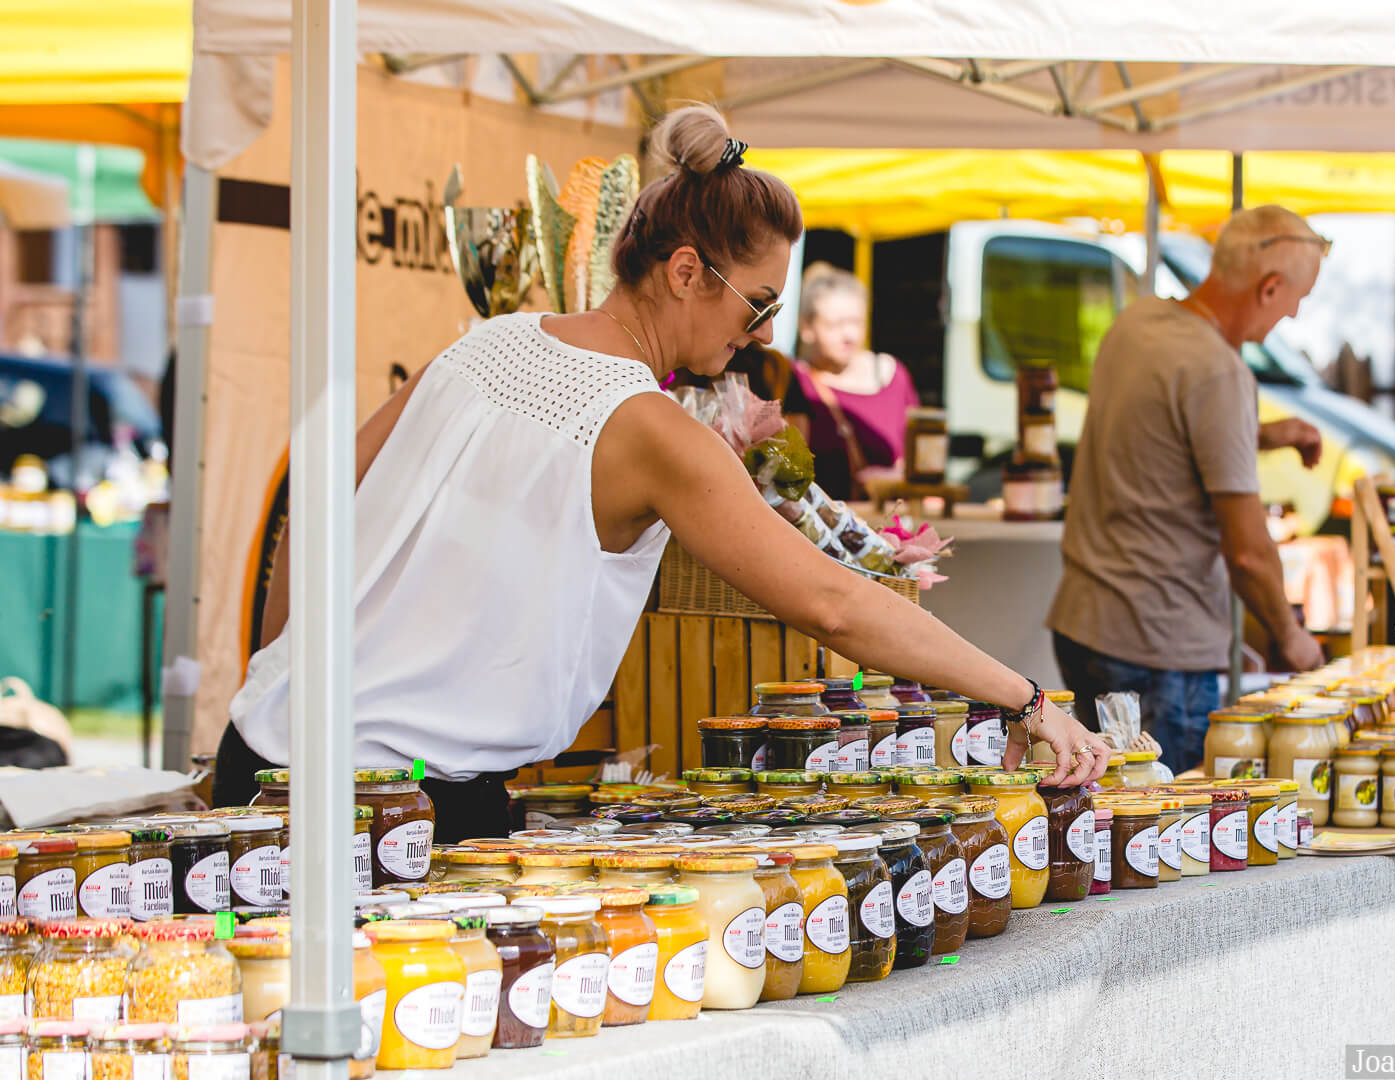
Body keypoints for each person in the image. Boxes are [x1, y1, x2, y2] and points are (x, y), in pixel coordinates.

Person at [212, 105, 1109, 837]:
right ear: (686, 272)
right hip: (392, 807)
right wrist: (1026, 696)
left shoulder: (485, 342)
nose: (761, 335)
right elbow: (831, 602)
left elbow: (320, 491)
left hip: (261, 758)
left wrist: (276, 679)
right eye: (759, 305)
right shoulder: (648, 426)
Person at [1046, 205, 1328, 774]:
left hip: (1086, 625)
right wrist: (1291, 635)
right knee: (1167, 841)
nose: (1293, 316)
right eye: (1295, 300)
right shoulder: (1219, 371)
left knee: (1108, 825)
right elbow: (1248, 552)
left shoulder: (1138, 325)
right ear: (1269, 287)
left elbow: (1168, 433)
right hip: (1159, 651)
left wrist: (1271, 433)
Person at [781, 263, 917, 500]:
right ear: (807, 327)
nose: (849, 335)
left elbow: (918, 460)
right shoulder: (794, 381)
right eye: (835, 324)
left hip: (887, 522)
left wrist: (892, 478)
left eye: (856, 322)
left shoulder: (892, 375)